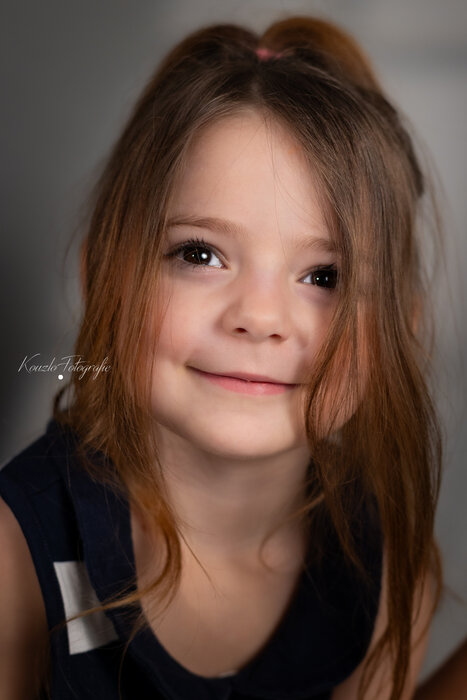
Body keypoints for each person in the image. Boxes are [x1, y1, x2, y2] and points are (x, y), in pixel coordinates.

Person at [0, 14, 446, 700]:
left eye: (324, 276)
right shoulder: (15, 557)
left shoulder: (386, 574)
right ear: (102, 275)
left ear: (399, 328)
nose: (259, 318)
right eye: (200, 254)